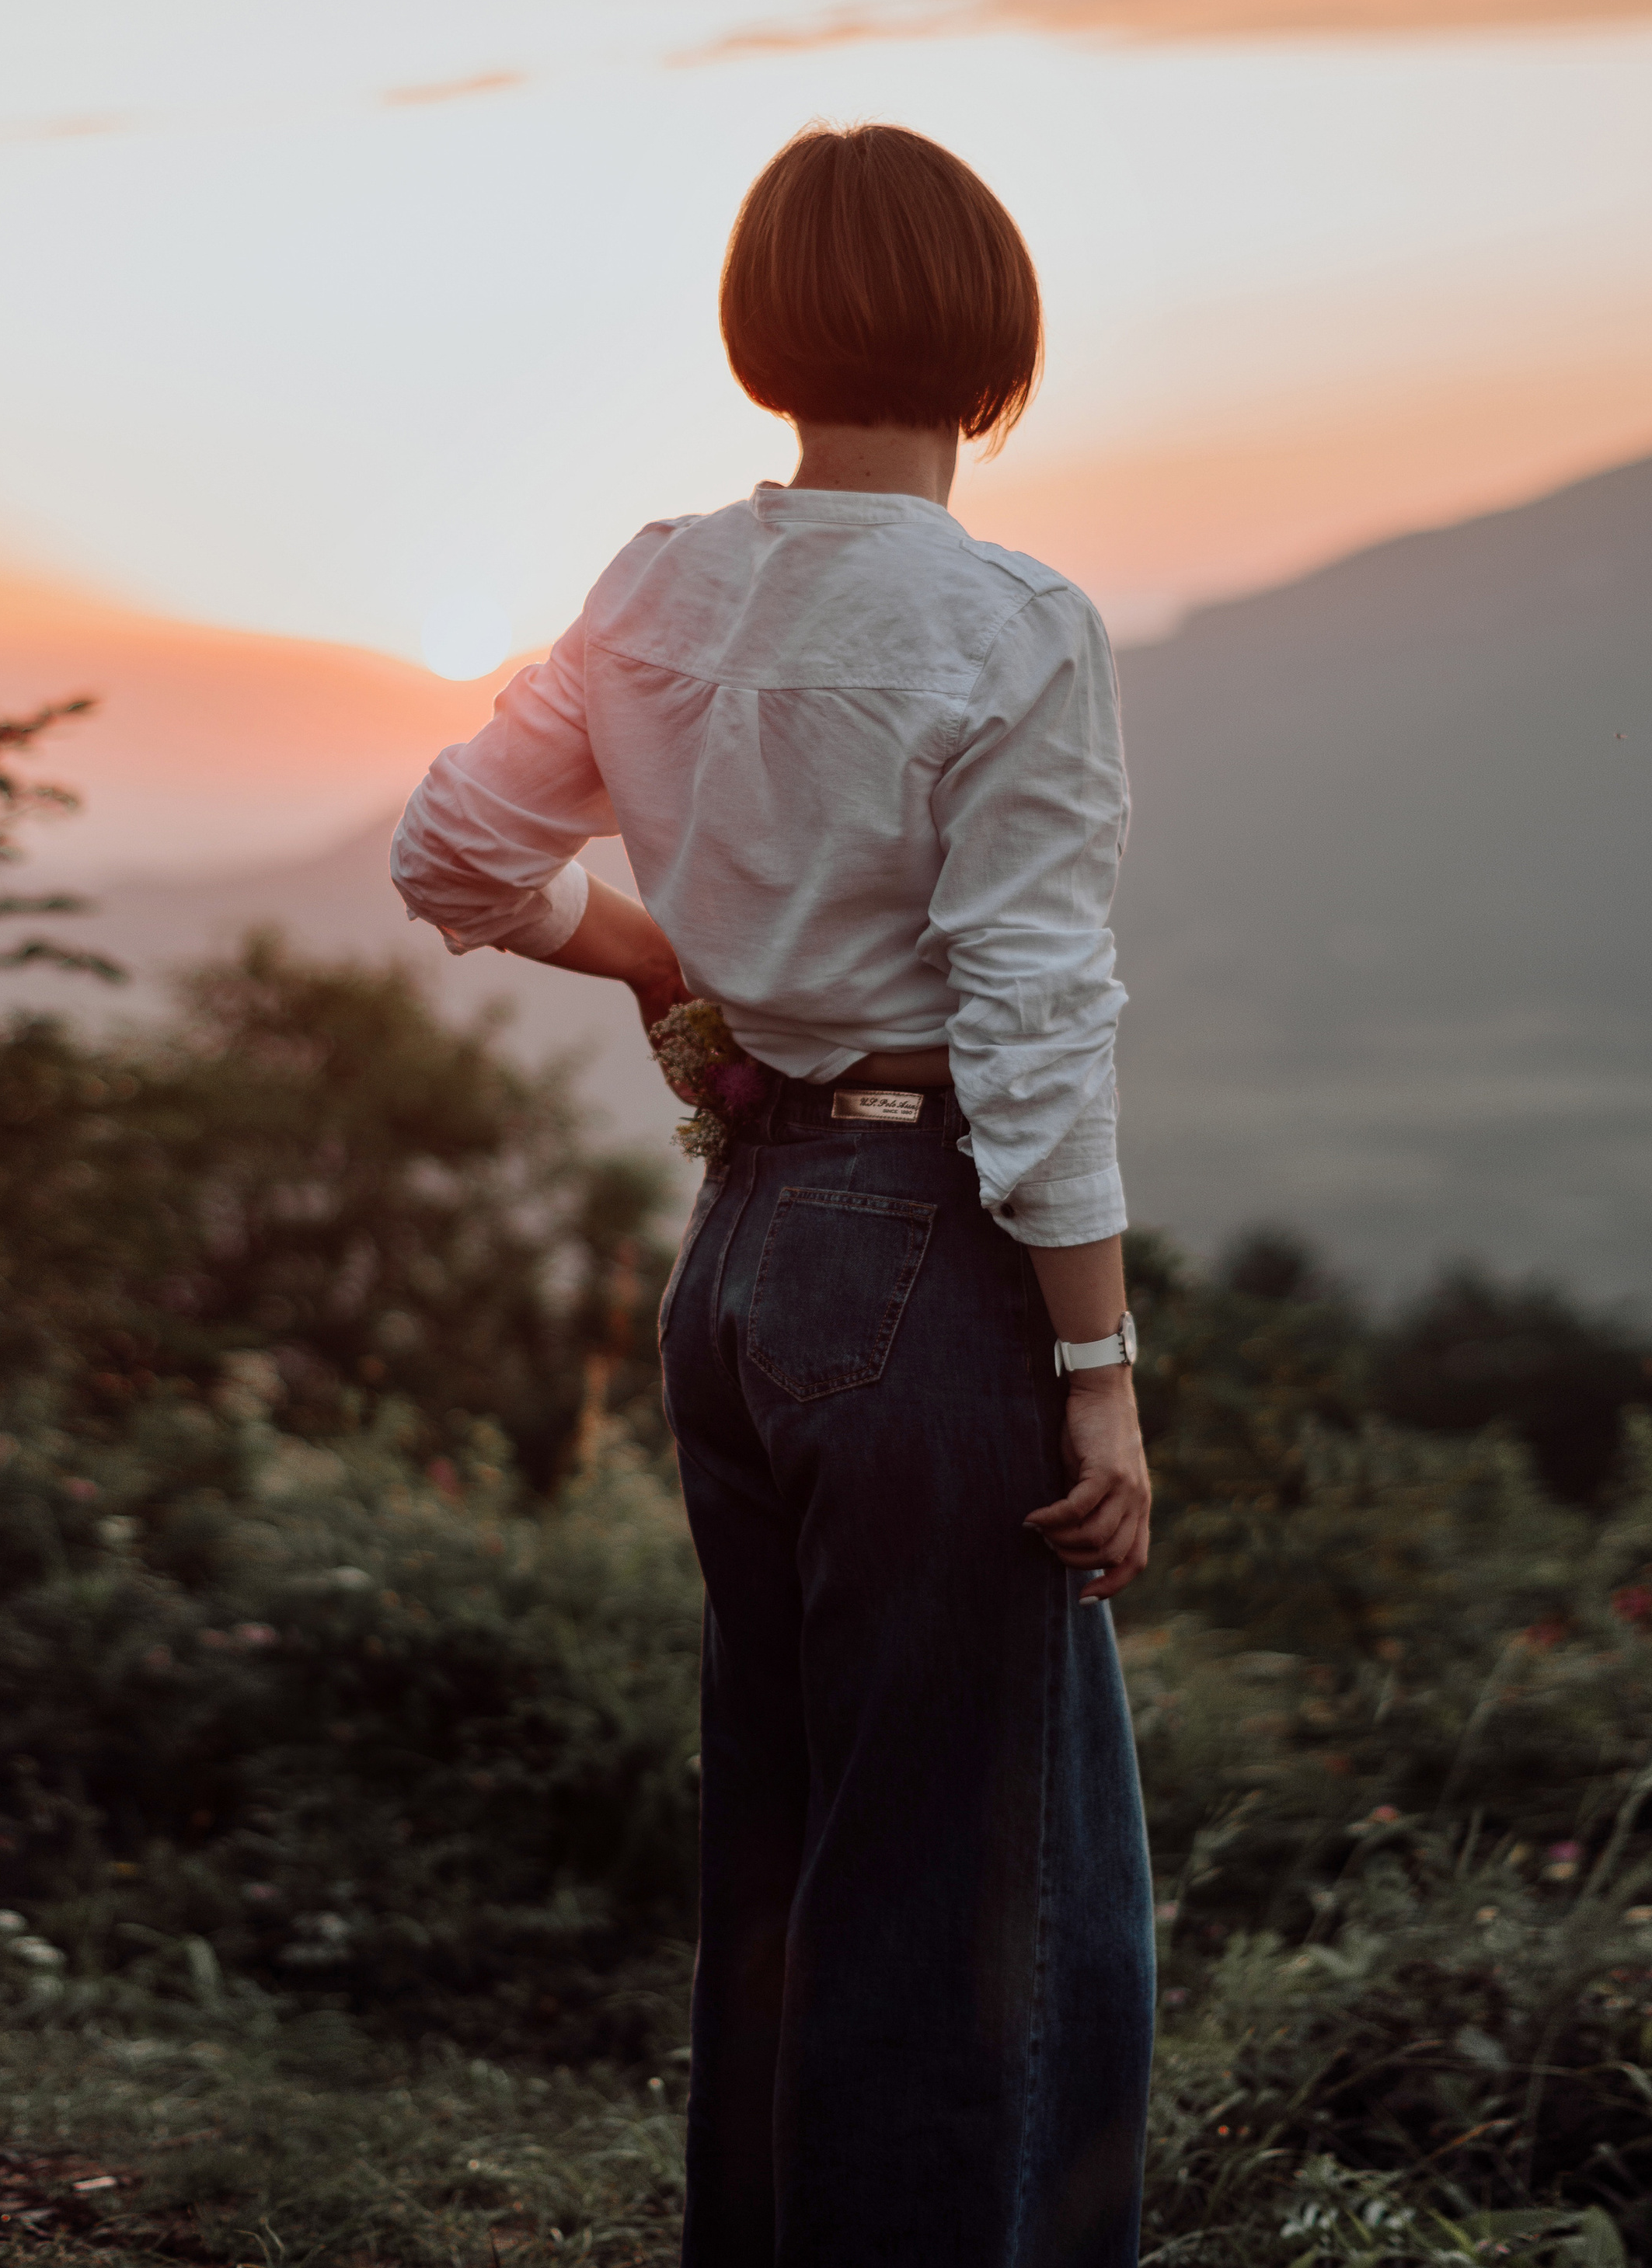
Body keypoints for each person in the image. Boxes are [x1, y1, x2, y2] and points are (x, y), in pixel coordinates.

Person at [392, 123, 1154, 2268]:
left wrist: (664, 955)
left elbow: (449, 853)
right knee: (969, 1890)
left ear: (766, 330)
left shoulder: (656, 580)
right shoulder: (1015, 623)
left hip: (741, 1255)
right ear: (994, 334)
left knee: (794, 1854)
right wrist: (1098, 1369)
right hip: (931, 1254)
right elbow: (1031, 1018)